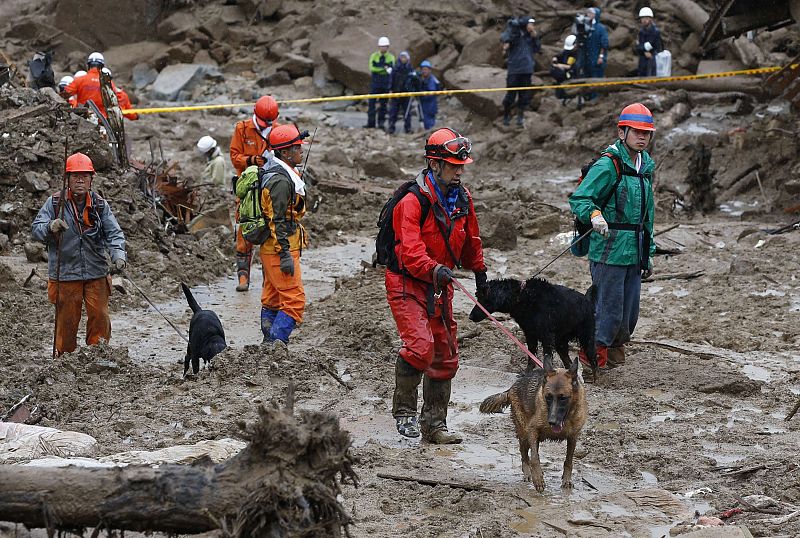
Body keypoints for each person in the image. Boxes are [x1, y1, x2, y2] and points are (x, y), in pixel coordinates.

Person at [388, 127, 487, 444]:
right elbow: (410, 251)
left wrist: (480, 271)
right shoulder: (412, 202)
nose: (459, 172)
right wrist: (434, 269)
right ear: (434, 164)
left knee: (445, 355)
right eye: (454, 166)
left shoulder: (463, 198)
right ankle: (404, 411)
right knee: (420, 348)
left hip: (439, 285)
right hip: (408, 283)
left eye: (462, 166)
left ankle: (434, 425)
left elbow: (471, 239)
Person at [568, 103, 656, 381]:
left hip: (634, 249)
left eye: (646, 133)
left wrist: (648, 252)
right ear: (622, 132)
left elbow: (648, 216)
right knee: (607, 308)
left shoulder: (645, 168)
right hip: (609, 248)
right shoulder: (608, 165)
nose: (642, 137)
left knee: (629, 312)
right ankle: (591, 355)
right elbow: (580, 198)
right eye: (636, 131)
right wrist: (594, 214)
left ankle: (615, 346)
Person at [31, 153, 127, 355]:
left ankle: (98, 356)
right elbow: (36, 229)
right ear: (67, 179)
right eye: (75, 176)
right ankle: (65, 361)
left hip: (96, 272)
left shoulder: (99, 205)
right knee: (66, 323)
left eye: (85, 176)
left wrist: (118, 255)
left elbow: (114, 233)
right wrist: (50, 226)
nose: (80, 180)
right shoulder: (55, 203)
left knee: (100, 317)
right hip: (65, 274)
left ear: (91, 179)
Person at [259, 124, 309, 346]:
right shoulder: (280, 181)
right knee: (294, 300)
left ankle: (268, 342)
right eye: (297, 148)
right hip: (280, 248)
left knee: (273, 298)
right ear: (285, 152)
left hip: (272, 247)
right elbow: (277, 219)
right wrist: (285, 253)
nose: (301, 151)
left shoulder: (277, 171)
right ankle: (275, 343)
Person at [229, 95, 280, 292]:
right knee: (245, 234)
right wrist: (251, 160)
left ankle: (269, 279)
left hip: (269, 190)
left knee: (270, 233)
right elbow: (234, 156)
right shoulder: (242, 129)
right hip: (247, 191)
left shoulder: (277, 131)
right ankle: (243, 278)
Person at [500, 16, 541, 127]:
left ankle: (520, 116)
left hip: (527, 70)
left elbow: (537, 49)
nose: (532, 26)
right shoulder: (516, 34)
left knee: (524, 96)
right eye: (530, 24)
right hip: (514, 70)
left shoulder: (531, 37)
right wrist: (515, 25)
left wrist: (535, 37)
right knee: (510, 95)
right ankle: (506, 115)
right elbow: (504, 38)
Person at [64, 52, 119, 118]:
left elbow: (65, 93)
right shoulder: (107, 82)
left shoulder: (80, 80)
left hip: (83, 118)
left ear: (89, 65)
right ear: (102, 66)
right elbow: (114, 100)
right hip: (102, 119)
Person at [577, 8, 609, 100]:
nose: (588, 15)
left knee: (596, 77)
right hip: (586, 58)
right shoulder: (585, 27)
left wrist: (601, 56)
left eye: (591, 13)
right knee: (586, 76)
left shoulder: (600, 28)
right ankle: (587, 97)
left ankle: (596, 97)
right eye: (588, 13)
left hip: (596, 57)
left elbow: (604, 44)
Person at [365, 36, 395, 130]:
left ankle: (381, 123)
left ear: (388, 47)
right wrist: (384, 68)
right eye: (382, 46)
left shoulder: (391, 57)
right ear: (379, 47)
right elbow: (372, 68)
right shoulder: (374, 56)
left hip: (385, 83)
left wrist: (379, 68)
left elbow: (392, 69)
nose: (383, 48)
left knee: (383, 104)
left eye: (385, 46)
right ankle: (371, 123)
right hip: (375, 82)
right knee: (371, 103)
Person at [387, 51, 413, 135]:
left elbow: (413, 80)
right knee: (393, 112)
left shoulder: (410, 69)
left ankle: (408, 128)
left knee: (407, 112)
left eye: (404, 57)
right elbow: (391, 79)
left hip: (406, 93)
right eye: (402, 57)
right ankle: (391, 127)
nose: (403, 59)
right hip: (396, 92)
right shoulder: (395, 68)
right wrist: (390, 89)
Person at [550, 35, 579, 104]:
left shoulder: (576, 54)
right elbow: (559, 55)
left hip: (572, 75)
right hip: (562, 76)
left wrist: (558, 65)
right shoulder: (566, 52)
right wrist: (555, 58)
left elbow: (569, 66)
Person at [636, 7, 663, 77]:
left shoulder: (655, 32)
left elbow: (653, 45)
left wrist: (642, 48)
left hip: (653, 58)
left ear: (650, 19)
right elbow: (638, 47)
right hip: (643, 58)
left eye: (646, 18)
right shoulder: (641, 32)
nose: (644, 20)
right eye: (642, 18)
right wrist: (644, 51)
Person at [417, 60, 440, 130]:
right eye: (423, 69)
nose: (424, 71)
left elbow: (432, 92)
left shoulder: (431, 80)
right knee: (425, 120)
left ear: (429, 70)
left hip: (430, 104)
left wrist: (422, 94)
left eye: (426, 69)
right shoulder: (422, 79)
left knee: (429, 122)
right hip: (424, 103)